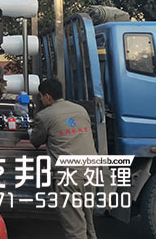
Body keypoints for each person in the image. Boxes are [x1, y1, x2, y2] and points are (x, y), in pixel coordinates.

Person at [30, 78, 98, 239]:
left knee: (75, 229)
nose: (41, 100)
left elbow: (35, 141)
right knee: (88, 224)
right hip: (91, 172)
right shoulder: (81, 110)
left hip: (69, 177)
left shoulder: (45, 116)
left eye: (41, 96)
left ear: (47, 96)